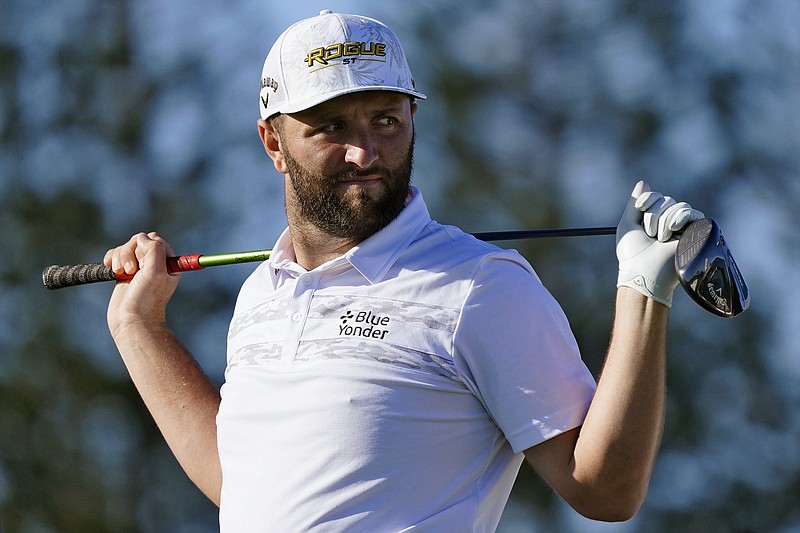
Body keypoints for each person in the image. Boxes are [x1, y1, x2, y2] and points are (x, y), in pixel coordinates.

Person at [104, 10, 704, 531]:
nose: (364, 151)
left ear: (413, 119)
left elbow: (604, 490)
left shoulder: (481, 286)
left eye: (385, 121)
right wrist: (141, 330)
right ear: (273, 143)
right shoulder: (263, 293)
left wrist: (642, 294)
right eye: (332, 127)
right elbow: (244, 488)